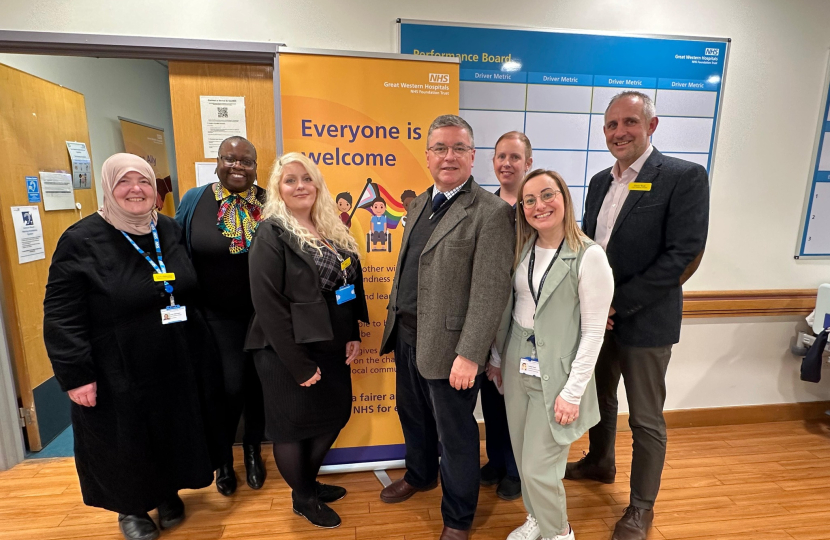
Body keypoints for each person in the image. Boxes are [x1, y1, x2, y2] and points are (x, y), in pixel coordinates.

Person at [43, 153, 223, 540]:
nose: (135, 190)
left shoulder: (170, 229)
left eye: (143, 181)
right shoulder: (81, 239)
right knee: (125, 439)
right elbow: (61, 313)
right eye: (124, 182)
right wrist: (76, 375)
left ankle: (167, 492)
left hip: (175, 357)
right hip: (116, 365)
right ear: (108, 188)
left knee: (171, 429)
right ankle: (131, 507)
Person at [565, 91, 710, 540]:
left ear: (652, 125)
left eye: (629, 122)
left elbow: (683, 256)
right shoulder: (597, 182)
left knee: (646, 418)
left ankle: (640, 510)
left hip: (645, 321)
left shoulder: (683, 177)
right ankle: (600, 461)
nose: (619, 132)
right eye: (611, 124)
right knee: (601, 399)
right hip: (599, 320)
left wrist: (618, 303)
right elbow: (589, 249)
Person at [379, 115, 515, 540]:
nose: (449, 156)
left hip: (452, 346)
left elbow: (491, 291)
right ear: (428, 155)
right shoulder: (418, 203)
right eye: (440, 148)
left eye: (458, 148)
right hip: (406, 334)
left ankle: (458, 518)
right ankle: (420, 474)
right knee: (412, 416)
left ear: (473, 156)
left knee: (455, 438)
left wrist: (472, 353)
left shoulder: (490, 213)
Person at [245, 152, 368, 529]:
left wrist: (352, 333)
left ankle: (307, 482)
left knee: (333, 416)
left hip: (331, 343)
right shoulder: (271, 233)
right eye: (290, 180)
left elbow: (348, 286)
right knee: (292, 427)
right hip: (285, 350)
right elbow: (267, 304)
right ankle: (302, 496)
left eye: (307, 179)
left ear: (317, 184)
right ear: (278, 190)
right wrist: (297, 363)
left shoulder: (331, 228)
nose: (300, 186)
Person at [493, 169, 614, 540]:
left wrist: (573, 391)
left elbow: (594, 333)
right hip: (517, 360)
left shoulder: (589, 256)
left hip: (557, 370)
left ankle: (559, 533)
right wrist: (498, 360)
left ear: (564, 197)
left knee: (539, 468)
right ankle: (537, 518)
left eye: (547, 195)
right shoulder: (525, 247)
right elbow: (514, 307)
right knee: (521, 452)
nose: (538, 206)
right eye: (529, 200)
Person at [175, 136, 267, 496]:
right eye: (230, 159)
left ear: (256, 166)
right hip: (214, 316)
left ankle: (253, 451)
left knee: (259, 385)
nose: (238, 166)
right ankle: (224, 459)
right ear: (217, 161)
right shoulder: (195, 200)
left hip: (263, 315)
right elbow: (177, 250)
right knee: (227, 389)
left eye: (246, 161)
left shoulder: (269, 201)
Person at [481, 131, 534, 501]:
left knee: (519, 402)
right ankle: (497, 460)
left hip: (523, 324)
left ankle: (516, 470)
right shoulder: (484, 207)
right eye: (501, 156)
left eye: (515, 157)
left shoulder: (538, 207)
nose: (506, 163)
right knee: (492, 398)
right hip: (488, 321)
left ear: (528, 163)